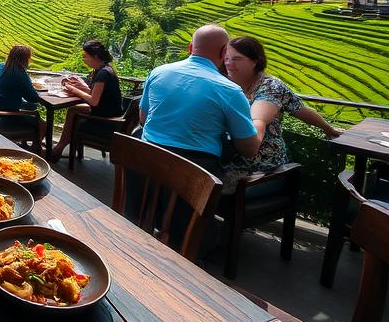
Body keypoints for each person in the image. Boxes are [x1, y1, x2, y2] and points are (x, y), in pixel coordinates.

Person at [223, 36, 341, 194]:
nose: (229, 64)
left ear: (255, 61)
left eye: (237, 59)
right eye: (226, 58)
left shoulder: (271, 86)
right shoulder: (228, 85)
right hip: (230, 159)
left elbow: (297, 111)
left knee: (199, 185)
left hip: (261, 170)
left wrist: (328, 129)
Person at [140, 24, 260, 179]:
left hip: (144, 161)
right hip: (193, 175)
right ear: (224, 52)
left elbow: (143, 118)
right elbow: (249, 149)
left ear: (190, 48)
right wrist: (259, 123)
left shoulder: (158, 72)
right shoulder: (230, 90)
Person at [51, 40, 124, 159]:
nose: (84, 59)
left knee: (73, 110)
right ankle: (62, 146)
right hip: (109, 111)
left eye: (85, 56)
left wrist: (74, 90)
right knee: (74, 110)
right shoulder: (104, 69)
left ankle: (59, 147)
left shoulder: (103, 74)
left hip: (107, 116)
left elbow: (93, 101)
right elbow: (94, 92)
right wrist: (80, 84)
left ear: (95, 56)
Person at [0, 44, 47, 142]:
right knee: (43, 124)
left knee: (29, 107)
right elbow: (32, 98)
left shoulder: (0, 67)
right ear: (23, 60)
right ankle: (37, 148)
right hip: (7, 114)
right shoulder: (20, 74)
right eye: (28, 59)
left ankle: (26, 145)